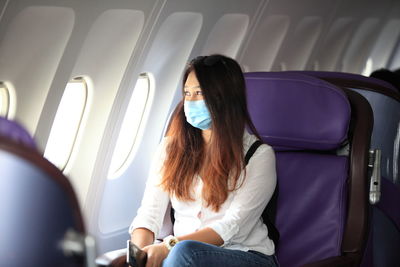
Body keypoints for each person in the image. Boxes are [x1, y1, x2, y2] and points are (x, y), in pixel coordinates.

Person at [129, 54, 278, 267]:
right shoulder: (170, 149)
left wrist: (168, 246)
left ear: (225, 97)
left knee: (184, 253)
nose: (190, 101)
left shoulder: (258, 154)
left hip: (246, 255)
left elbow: (233, 226)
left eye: (199, 93)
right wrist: (140, 255)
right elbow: (149, 214)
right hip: (182, 256)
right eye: (187, 93)